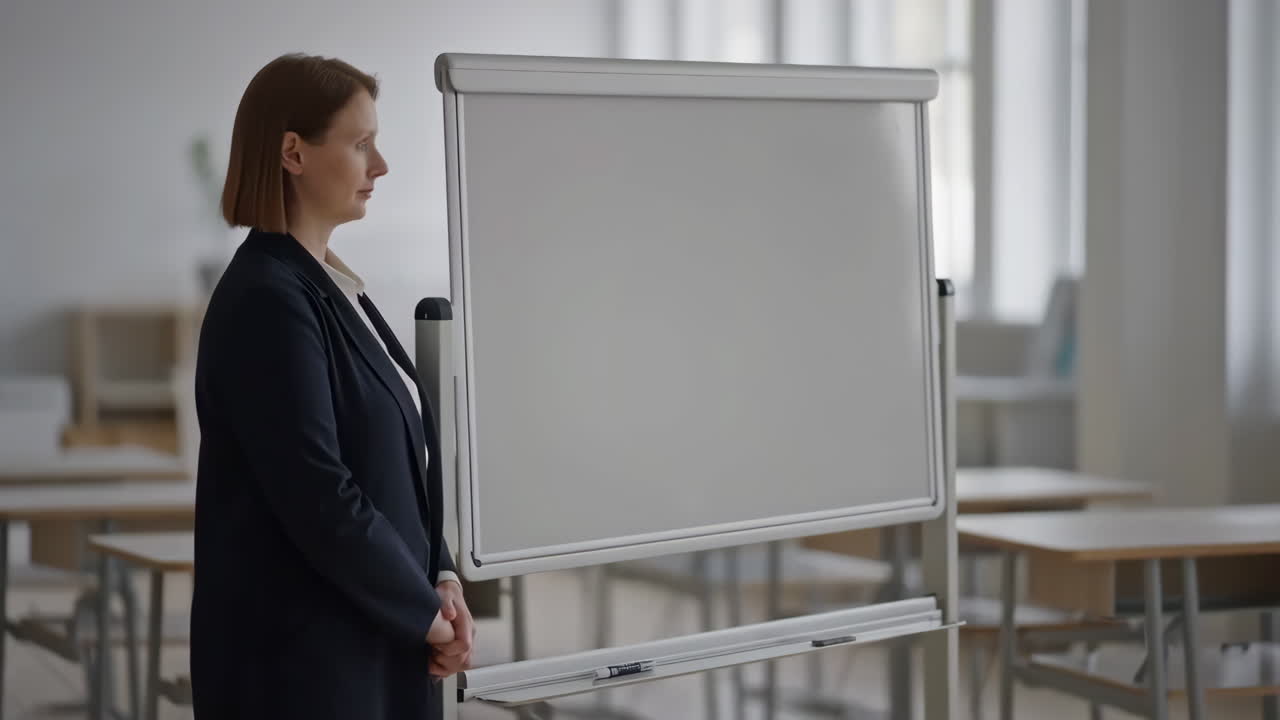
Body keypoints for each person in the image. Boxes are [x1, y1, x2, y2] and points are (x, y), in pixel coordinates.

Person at [190, 53, 473, 720]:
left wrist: (441, 577)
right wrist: (426, 617)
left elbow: (395, 468)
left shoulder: (328, 288)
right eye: (360, 143)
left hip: (370, 636)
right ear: (293, 152)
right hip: (305, 666)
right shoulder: (267, 299)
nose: (380, 165)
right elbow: (321, 495)